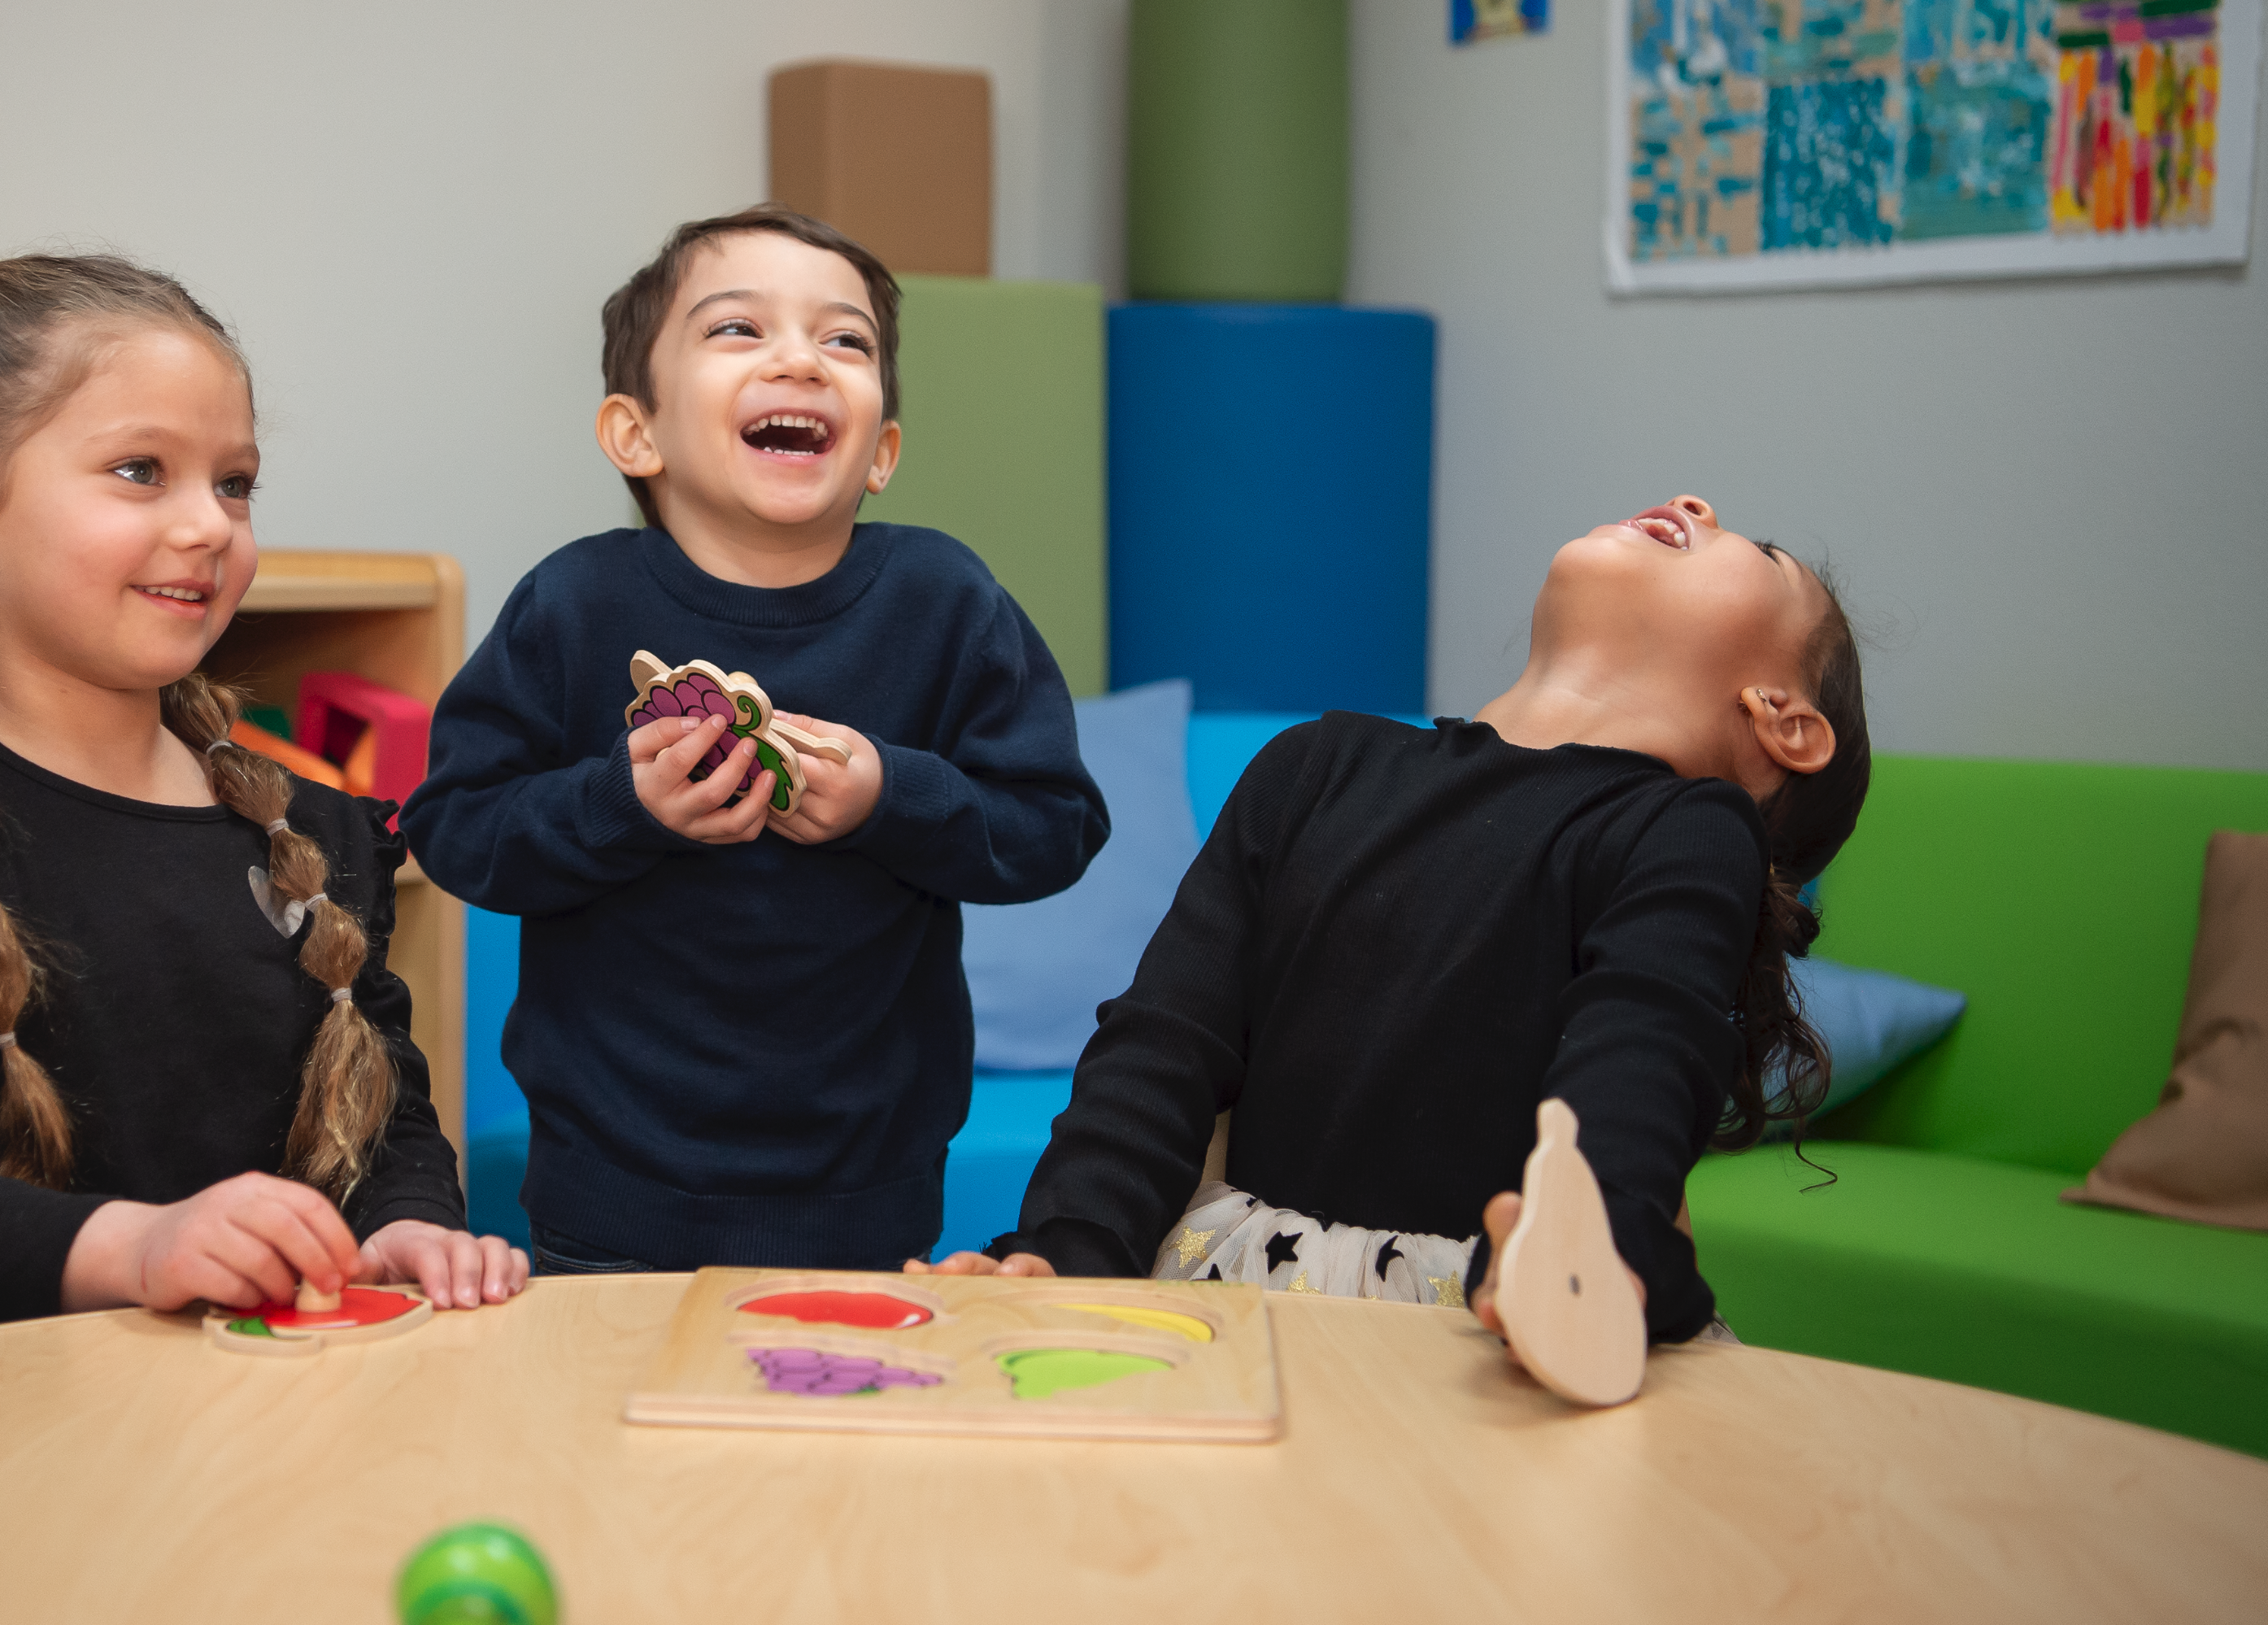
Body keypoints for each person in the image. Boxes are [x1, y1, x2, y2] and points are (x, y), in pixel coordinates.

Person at [0, 255, 523, 1348]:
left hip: (254, 1418)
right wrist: (141, 1249)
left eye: (235, 482)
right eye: (139, 470)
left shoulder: (310, 832)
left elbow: (387, 1117)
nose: (211, 524)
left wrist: (408, 1226)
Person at [923, 494, 1869, 1350]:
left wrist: (1601, 1240)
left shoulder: (1689, 829)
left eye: (1766, 551)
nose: (1698, 502)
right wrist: (1061, 1252)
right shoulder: (1312, 764)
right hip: (1234, 1286)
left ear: (1782, 720)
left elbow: (1642, 1047)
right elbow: (1164, 1044)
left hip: (1492, 1315)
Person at [401, 207, 1110, 1274]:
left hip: (868, 1199)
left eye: (846, 339)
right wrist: (621, 805)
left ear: (883, 452)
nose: (801, 358)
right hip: (606, 1203)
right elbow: (454, 827)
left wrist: (890, 797)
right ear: (636, 433)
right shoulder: (572, 602)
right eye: (739, 329)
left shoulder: (945, 599)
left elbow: (1055, 824)